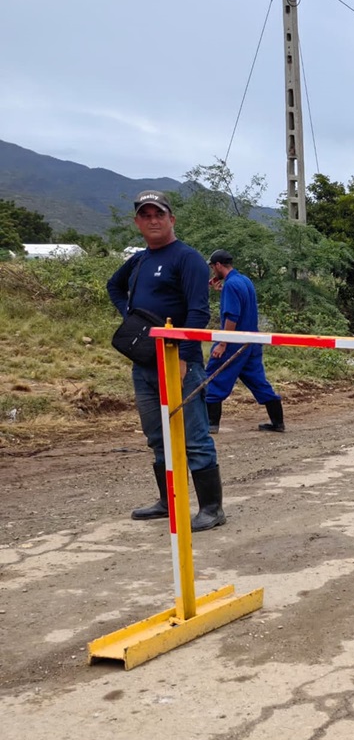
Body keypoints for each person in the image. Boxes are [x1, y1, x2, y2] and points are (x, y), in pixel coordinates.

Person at [106, 191, 226, 531]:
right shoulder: (139, 260)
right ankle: (167, 501)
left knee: (194, 438)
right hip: (144, 364)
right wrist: (131, 317)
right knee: (157, 437)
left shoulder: (186, 258)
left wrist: (186, 355)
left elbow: (199, 311)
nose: (153, 220)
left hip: (179, 362)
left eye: (158, 214)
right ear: (138, 223)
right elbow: (113, 286)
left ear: (171, 219)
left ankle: (212, 509)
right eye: (145, 215)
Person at [203, 249, 284, 434]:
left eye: (212, 267)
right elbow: (242, 301)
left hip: (235, 341)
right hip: (252, 341)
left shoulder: (231, 285)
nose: (212, 272)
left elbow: (232, 315)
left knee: (214, 377)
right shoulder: (244, 280)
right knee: (257, 381)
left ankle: (211, 424)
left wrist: (223, 343)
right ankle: (278, 422)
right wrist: (221, 289)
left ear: (218, 265)